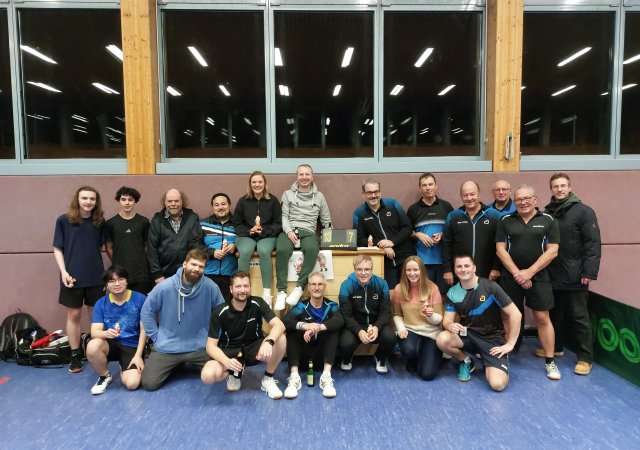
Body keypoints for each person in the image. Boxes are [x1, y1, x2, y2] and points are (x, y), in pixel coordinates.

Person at [496, 184, 561, 380]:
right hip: (510, 277)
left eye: (527, 198)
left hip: (539, 277)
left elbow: (553, 251)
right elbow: (500, 250)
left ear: (535, 200)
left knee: (542, 318)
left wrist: (529, 273)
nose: (523, 202)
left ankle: (550, 362)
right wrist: (518, 274)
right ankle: (506, 354)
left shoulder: (548, 220)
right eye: (519, 199)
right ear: (514, 202)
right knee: (507, 316)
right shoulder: (505, 220)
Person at [140, 248, 224, 391]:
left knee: (221, 373)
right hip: (168, 347)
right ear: (184, 264)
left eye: (201, 266)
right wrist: (156, 336)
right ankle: (175, 365)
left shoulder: (211, 287)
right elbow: (146, 311)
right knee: (149, 384)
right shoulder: (164, 287)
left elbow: (222, 313)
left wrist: (215, 338)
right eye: (193, 264)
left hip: (200, 347)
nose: (196, 269)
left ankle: (179, 365)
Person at [543, 173, 601, 376]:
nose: (559, 189)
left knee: (578, 316)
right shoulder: (548, 212)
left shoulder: (584, 212)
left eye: (563, 186)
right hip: (552, 273)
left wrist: (589, 271)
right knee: (554, 314)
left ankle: (585, 358)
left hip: (576, 275)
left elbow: (593, 244)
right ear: (551, 189)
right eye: (555, 186)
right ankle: (556, 348)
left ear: (569, 187)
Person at [436, 255, 522, 392]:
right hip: (468, 335)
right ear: (455, 270)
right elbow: (446, 320)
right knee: (442, 339)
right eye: (459, 266)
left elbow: (516, 314)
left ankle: (489, 360)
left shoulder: (491, 287)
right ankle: (466, 361)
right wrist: (450, 325)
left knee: (498, 385)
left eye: (466, 266)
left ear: (474, 268)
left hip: (491, 339)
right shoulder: (453, 292)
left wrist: (510, 344)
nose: (463, 269)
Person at [201, 271, 287, 400]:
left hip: (254, 349)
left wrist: (269, 341)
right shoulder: (219, 312)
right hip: (230, 352)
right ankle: (233, 373)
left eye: (246, 286)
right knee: (207, 375)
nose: (243, 290)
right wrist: (227, 362)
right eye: (238, 286)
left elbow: (280, 325)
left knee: (281, 338)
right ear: (231, 289)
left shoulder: (258, 303)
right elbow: (210, 346)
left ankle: (268, 378)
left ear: (250, 287)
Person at [53, 186, 106, 373]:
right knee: (74, 315)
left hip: (95, 276)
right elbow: (57, 248)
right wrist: (63, 272)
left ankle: (98, 351)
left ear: (96, 201)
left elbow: (101, 247)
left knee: (96, 315)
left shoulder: (100, 222)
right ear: (78, 199)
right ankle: (75, 354)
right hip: (72, 277)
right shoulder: (64, 221)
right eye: (84, 198)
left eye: (92, 198)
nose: (88, 202)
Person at [275, 164, 332, 310]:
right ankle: (281, 291)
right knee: (282, 249)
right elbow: (284, 216)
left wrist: (331, 237)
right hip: (289, 230)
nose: (304, 177)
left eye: (307, 174)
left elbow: (326, 220)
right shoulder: (287, 194)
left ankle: (300, 287)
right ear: (297, 176)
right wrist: (288, 231)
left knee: (312, 248)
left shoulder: (319, 197)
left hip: (308, 231)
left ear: (312, 177)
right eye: (301, 174)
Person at [86, 266, 147, 395]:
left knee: (132, 384)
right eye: (112, 281)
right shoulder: (101, 303)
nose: (117, 284)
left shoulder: (140, 299)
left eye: (121, 279)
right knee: (92, 346)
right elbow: (94, 332)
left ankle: (123, 366)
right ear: (107, 286)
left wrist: (138, 356)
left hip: (132, 346)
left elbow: (144, 330)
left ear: (127, 281)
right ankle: (105, 376)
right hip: (111, 344)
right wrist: (106, 333)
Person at [282, 272, 343, 398]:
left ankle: (326, 377)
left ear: (324, 287)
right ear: (308, 287)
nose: (317, 287)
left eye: (320, 284)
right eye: (313, 284)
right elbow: (286, 321)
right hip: (302, 357)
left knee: (333, 329)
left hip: (324, 357)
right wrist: (305, 326)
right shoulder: (301, 306)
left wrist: (317, 328)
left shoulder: (332, 306)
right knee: (292, 329)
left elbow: (339, 320)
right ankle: (294, 377)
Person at [338, 254, 396, 374]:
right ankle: (347, 358)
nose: (363, 273)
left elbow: (386, 312)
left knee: (390, 338)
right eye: (359, 269)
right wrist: (359, 331)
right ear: (354, 269)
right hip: (355, 324)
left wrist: (376, 327)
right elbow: (346, 315)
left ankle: (380, 357)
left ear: (372, 269)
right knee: (345, 343)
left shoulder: (382, 284)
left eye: (367, 269)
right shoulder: (346, 286)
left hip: (375, 324)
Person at [233, 171, 282, 307]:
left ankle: (266, 294)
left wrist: (264, 231)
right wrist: (249, 231)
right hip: (247, 235)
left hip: (267, 235)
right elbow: (237, 223)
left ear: (265, 183)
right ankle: (242, 290)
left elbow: (278, 223)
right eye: (254, 182)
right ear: (250, 184)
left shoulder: (273, 200)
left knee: (264, 251)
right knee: (245, 251)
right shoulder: (243, 201)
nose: (257, 185)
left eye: (260, 182)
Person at [355, 178, 415, 289]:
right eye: (369, 192)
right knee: (390, 293)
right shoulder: (359, 213)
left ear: (380, 192)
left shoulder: (393, 204)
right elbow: (359, 240)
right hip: (383, 261)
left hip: (405, 257)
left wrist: (392, 242)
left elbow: (408, 228)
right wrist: (381, 245)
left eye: (376, 192)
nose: (373, 195)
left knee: (410, 292)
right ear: (363, 194)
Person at [390, 256, 443, 381]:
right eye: (408, 270)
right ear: (405, 272)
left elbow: (439, 319)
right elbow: (397, 314)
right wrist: (401, 328)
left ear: (422, 271)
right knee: (408, 350)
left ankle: (432, 354)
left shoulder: (433, 288)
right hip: (411, 329)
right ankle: (414, 356)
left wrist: (431, 315)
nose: (412, 273)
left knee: (427, 374)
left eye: (415, 270)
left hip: (431, 332)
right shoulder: (399, 289)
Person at [442, 181, 501, 286]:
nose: (469, 198)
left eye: (472, 194)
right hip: (461, 273)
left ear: (479, 194)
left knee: (484, 297)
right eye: (465, 195)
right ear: (461, 197)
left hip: (488, 273)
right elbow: (446, 244)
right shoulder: (453, 216)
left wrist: (496, 268)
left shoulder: (494, 215)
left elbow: (501, 244)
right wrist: (447, 270)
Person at [406, 172, 454, 294]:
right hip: (422, 262)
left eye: (430, 184)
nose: (428, 188)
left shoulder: (446, 206)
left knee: (443, 296)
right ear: (420, 188)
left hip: (443, 261)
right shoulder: (413, 209)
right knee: (423, 296)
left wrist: (443, 234)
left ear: (436, 186)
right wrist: (418, 234)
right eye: (424, 185)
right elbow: (406, 232)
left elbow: (454, 230)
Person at [147, 188, 200, 285]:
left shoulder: (192, 218)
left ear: (182, 202)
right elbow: (152, 249)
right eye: (170, 201)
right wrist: (157, 274)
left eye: (176, 201)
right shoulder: (157, 221)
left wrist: (194, 269)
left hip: (188, 273)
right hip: (164, 275)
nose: (173, 204)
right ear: (165, 203)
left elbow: (196, 245)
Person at [105, 186, 152, 294]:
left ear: (135, 201)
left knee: (141, 301)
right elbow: (108, 247)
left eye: (130, 200)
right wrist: (118, 260)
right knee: (121, 302)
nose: (127, 203)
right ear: (119, 201)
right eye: (123, 199)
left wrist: (139, 259)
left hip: (141, 273)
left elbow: (147, 245)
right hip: (119, 273)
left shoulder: (144, 222)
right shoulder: (111, 223)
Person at [191, 193, 237, 301]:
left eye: (223, 204)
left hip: (232, 276)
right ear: (213, 207)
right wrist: (212, 253)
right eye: (216, 205)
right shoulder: (202, 224)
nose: (220, 207)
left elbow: (247, 240)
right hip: (207, 275)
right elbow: (194, 245)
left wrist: (236, 247)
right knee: (208, 307)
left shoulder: (238, 224)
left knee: (228, 308)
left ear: (229, 205)